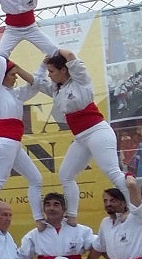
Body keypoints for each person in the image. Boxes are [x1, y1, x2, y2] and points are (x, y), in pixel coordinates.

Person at [35, 49, 133, 214]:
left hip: (97, 132)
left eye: (51, 71)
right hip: (81, 139)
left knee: (112, 171)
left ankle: (137, 209)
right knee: (65, 175)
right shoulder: (56, 89)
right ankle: (72, 216)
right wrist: (41, 64)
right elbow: (35, 81)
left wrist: (53, 50)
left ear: (64, 70)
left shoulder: (80, 80)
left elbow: (71, 56)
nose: (49, 75)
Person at [0, 56, 45, 224]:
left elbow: (35, 85)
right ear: (1, 76)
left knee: (36, 179)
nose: (15, 77)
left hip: (12, 143)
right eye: (12, 74)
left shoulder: (14, 94)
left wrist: (43, 64)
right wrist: (4, 54)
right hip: (3, 141)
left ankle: (39, 219)